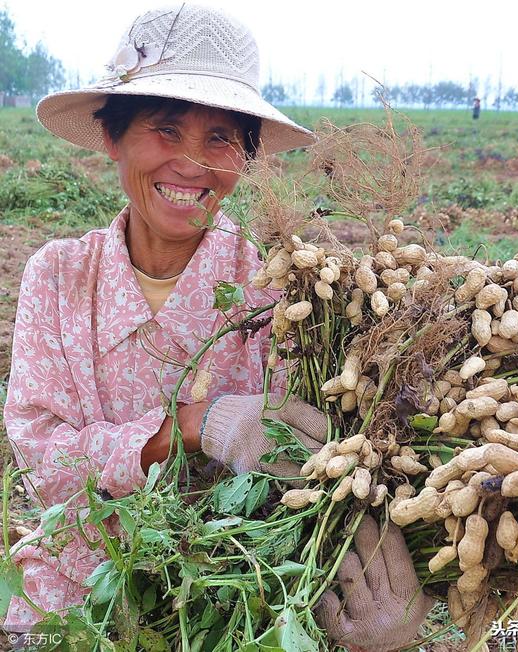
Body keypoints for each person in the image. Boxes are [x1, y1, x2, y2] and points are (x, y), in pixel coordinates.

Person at [1, 5, 433, 650]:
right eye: (166, 129)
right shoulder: (61, 276)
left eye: (221, 139)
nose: (193, 164)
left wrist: (380, 599)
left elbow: (321, 478)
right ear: (114, 137)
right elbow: (42, 459)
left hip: (234, 596)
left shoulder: (285, 294)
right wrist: (193, 427)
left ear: (247, 161)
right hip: (72, 596)